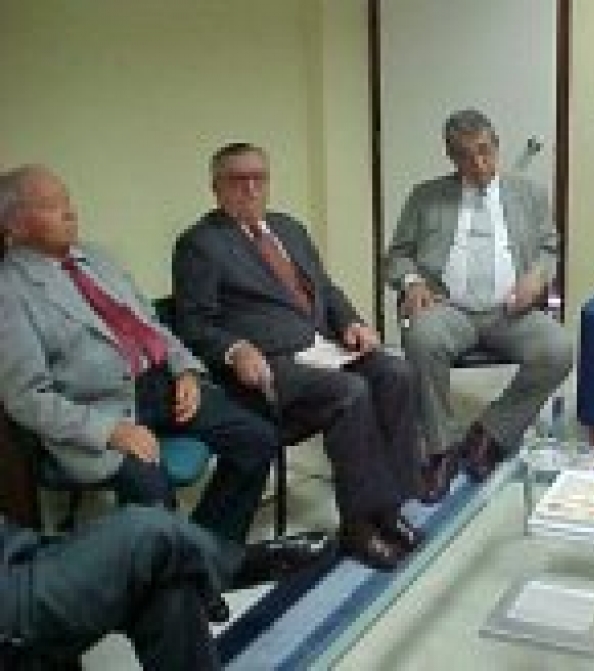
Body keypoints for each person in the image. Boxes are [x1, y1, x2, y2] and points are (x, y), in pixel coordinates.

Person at [0, 165, 333, 569]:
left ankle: (207, 555)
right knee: (149, 482)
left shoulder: (97, 259)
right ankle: (184, 573)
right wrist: (111, 431)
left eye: (67, 200)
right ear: (15, 223)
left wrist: (186, 371)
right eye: (51, 205)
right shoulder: (11, 291)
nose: (70, 211)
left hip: (161, 384)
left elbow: (151, 326)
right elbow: (26, 397)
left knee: (256, 438)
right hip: (101, 411)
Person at [173, 142, 423, 571]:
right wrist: (235, 349)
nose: (251, 188)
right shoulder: (200, 245)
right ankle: (358, 526)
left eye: (259, 178)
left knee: (395, 372)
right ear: (216, 188)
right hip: (270, 363)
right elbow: (194, 324)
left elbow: (326, 289)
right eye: (238, 180)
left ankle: (389, 506)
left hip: (323, 346)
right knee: (350, 393)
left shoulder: (289, 228)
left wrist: (353, 323)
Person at [385, 109, 573, 503]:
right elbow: (397, 256)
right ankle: (441, 450)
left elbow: (549, 248)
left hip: (510, 310)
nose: (479, 164)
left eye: (485, 151)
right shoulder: (426, 197)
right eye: (466, 156)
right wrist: (412, 282)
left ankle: (490, 433)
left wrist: (538, 277)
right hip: (448, 308)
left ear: (497, 146)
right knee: (421, 339)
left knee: (558, 349)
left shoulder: (529, 194)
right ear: (451, 157)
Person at [0, 506, 234, 670]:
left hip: (22, 554)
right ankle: (238, 565)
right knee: (148, 533)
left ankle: (216, 569)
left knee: (168, 583)